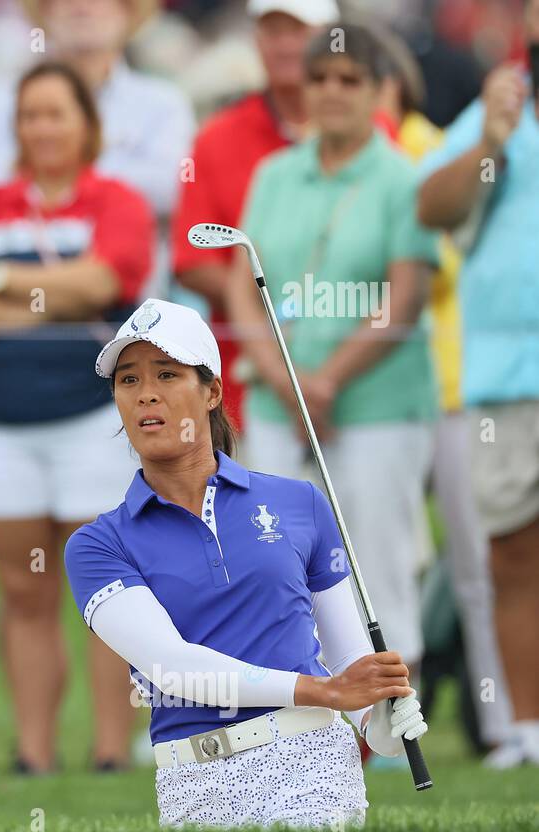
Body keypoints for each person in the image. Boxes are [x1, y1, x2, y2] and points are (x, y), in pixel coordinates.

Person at [65, 298, 428, 826]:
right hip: (195, 781)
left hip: (315, 765)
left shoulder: (298, 502)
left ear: (211, 392)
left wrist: (379, 723)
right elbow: (172, 669)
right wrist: (322, 689)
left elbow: (348, 663)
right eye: (128, 380)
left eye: (167, 374)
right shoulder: (98, 544)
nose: (146, 393)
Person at [0, 61, 152, 773]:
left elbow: (104, 280)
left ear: (87, 124)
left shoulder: (115, 199)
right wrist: (46, 301)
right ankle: (33, 751)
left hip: (91, 418)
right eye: (31, 115)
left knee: (104, 588)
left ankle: (112, 749)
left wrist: (1, 280)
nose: (44, 128)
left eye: (58, 113)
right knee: (24, 588)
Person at [226, 23, 440, 715]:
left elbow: (404, 296)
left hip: (377, 405)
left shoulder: (404, 178)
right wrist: (289, 381)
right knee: (279, 563)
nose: (332, 92)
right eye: (320, 78)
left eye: (350, 80)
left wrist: (328, 380)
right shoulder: (274, 174)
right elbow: (242, 288)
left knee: (377, 564)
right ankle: (303, 714)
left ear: (381, 90)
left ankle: (391, 722)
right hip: (278, 408)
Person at [376, 25, 514, 758]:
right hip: (387, 393)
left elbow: (449, 256)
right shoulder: (343, 161)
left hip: (457, 385)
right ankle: (388, 736)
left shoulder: (427, 149)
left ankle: (501, 728)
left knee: (479, 568)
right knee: (388, 562)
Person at [417, 0, 539, 767]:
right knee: (514, 557)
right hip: (509, 376)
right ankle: (527, 730)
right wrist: (491, 143)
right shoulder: (500, 109)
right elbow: (435, 206)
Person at [170, 0, 338, 427]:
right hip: (247, 388)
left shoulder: (373, 130)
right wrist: (267, 306)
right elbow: (192, 259)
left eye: (297, 31)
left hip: (355, 378)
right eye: (272, 32)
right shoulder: (216, 139)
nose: (284, 45)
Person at [0, 0, 191, 300]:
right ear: (45, 11)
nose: (82, 7)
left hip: (131, 311)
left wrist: (53, 174)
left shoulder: (164, 103)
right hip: (13, 307)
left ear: (128, 12)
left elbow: (174, 189)